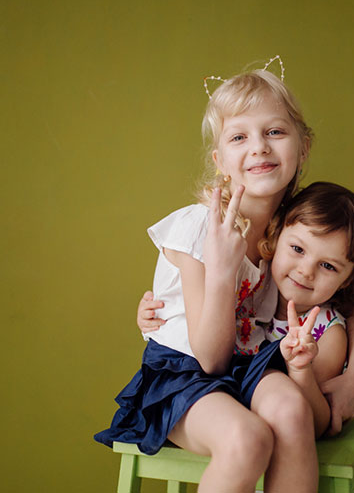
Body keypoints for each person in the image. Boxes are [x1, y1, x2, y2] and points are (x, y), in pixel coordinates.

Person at [96, 60, 321, 493]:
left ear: (303, 146)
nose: (258, 147)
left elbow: (342, 286)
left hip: (248, 365)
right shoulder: (199, 228)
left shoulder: (292, 233)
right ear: (220, 161)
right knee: (247, 438)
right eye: (240, 137)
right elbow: (210, 359)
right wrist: (221, 270)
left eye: (274, 131)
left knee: (294, 411)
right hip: (185, 373)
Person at [141, 182, 354, 492]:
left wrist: (303, 369)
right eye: (297, 249)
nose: (306, 271)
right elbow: (194, 297)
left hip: (322, 417)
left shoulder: (325, 332)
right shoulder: (260, 273)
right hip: (230, 399)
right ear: (275, 238)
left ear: (347, 278)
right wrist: (157, 307)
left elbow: (319, 422)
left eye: (327, 266)